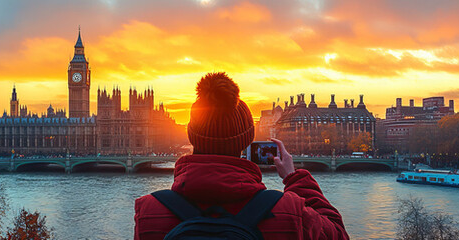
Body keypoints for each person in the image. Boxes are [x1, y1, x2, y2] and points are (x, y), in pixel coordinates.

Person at [133, 72, 349, 239]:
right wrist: (295, 178)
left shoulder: (149, 212)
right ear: (247, 141)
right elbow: (338, 234)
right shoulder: (289, 212)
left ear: (191, 136)